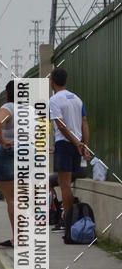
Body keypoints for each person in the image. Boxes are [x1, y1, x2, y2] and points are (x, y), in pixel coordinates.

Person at [49, 68, 90, 220]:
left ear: (52, 82)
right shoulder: (77, 99)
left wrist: (75, 142)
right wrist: (84, 145)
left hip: (65, 144)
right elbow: (84, 123)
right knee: (67, 183)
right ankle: (71, 217)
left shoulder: (53, 100)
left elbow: (61, 126)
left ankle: (68, 220)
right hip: (77, 145)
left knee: (64, 184)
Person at [0, 79, 15, 247]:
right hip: (28, 154)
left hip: (9, 153)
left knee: (12, 199)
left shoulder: (9, 108)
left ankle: (18, 238)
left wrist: (2, 140)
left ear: (8, 93)